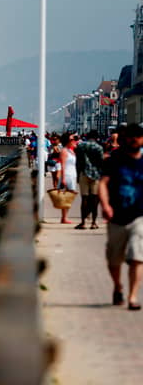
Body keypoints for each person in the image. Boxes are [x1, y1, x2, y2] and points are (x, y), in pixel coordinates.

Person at [99, 123, 143, 311]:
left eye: (137, 136)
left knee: (137, 257)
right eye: (130, 136)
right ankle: (118, 286)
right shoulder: (115, 159)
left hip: (139, 216)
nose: (133, 139)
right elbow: (103, 184)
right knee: (113, 260)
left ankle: (133, 297)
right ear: (125, 138)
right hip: (116, 215)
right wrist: (106, 205)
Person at [75, 130, 104, 229]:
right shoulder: (99, 147)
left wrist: (78, 174)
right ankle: (94, 223)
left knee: (84, 199)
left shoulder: (81, 146)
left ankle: (83, 223)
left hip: (84, 173)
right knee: (94, 199)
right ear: (96, 137)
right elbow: (101, 162)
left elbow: (78, 162)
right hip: (96, 175)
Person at [58, 133, 78, 224]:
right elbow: (62, 165)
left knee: (69, 197)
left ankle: (65, 217)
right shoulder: (64, 151)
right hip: (67, 175)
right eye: (72, 139)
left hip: (72, 175)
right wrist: (63, 179)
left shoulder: (71, 151)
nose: (74, 141)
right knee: (66, 197)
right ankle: (64, 217)